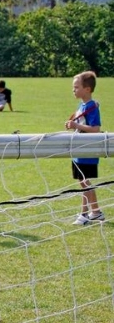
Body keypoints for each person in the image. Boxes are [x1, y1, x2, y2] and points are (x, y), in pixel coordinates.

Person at [65, 71, 104, 225]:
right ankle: (96, 212)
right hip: (78, 149)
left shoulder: (92, 106)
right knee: (83, 182)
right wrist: (72, 124)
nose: (73, 90)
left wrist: (76, 125)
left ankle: (84, 214)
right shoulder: (82, 105)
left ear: (87, 89)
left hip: (87, 150)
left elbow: (95, 129)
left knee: (85, 182)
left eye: (76, 87)